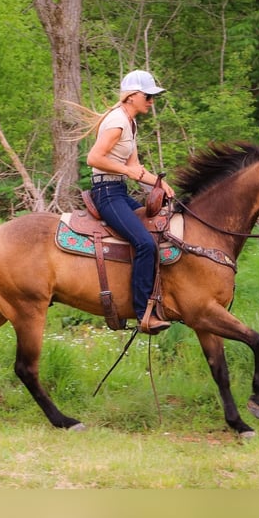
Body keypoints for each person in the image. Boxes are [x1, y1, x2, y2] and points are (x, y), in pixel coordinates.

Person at [86, 70, 175, 334]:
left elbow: (135, 167)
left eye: (152, 97)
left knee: (156, 231)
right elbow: (93, 158)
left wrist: (159, 185)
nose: (151, 101)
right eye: (148, 96)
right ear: (132, 96)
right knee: (145, 243)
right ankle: (142, 313)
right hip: (106, 193)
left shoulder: (130, 122)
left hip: (119, 190)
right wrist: (126, 171)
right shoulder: (117, 122)